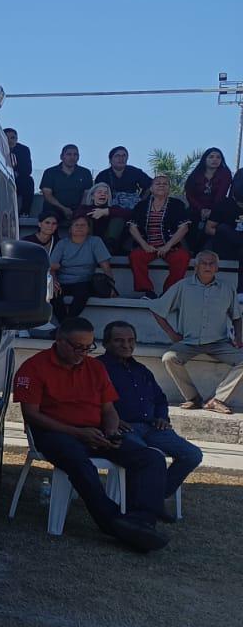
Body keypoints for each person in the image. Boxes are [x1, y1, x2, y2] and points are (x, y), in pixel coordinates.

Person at [14, 317, 168, 550]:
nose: (83, 353)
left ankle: (141, 521)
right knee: (79, 462)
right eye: (78, 347)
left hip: (95, 432)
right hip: (55, 433)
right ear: (59, 341)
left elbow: (109, 408)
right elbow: (32, 415)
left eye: (88, 347)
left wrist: (111, 431)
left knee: (152, 458)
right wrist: (78, 433)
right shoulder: (34, 367)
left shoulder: (95, 367)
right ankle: (111, 521)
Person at [101, 320, 201, 512]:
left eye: (131, 340)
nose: (126, 345)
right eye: (119, 341)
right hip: (122, 428)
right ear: (106, 343)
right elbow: (90, 401)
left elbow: (160, 399)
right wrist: (112, 420)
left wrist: (162, 417)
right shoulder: (98, 368)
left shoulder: (141, 370)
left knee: (192, 455)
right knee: (147, 457)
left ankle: (153, 498)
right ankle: (143, 504)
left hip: (151, 427)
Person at [152, 249, 243, 415]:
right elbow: (157, 310)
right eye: (204, 263)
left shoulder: (227, 288)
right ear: (196, 267)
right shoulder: (182, 286)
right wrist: (172, 334)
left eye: (212, 263)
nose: (207, 266)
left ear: (217, 267)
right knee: (169, 358)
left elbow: (236, 317)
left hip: (219, 342)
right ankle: (193, 397)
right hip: (188, 342)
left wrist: (238, 337)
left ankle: (218, 400)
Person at [126, 175, 191, 298]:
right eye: (158, 183)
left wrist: (167, 246)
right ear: (151, 188)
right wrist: (144, 245)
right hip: (148, 245)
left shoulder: (177, 205)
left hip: (170, 245)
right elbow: (132, 227)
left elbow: (184, 228)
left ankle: (169, 293)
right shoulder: (142, 205)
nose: (161, 185)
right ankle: (148, 291)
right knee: (135, 256)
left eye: (165, 183)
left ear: (169, 189)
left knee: (182, 257)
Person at [48, 215, 116, 323]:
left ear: (88, 228)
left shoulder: (95, 242)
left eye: (83, 225)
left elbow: (105, 266)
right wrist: (54, 281)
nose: (79, 227)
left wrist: (111, 285)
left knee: (82, 293)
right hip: (62, 281)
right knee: (53, 295)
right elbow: (52, 266)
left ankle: (65, 326)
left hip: (84, 280)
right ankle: (66, 326)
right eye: (76, 225)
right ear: (70, 228)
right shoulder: (62, 243)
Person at [183, 147, 232, 253]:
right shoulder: (196, 174)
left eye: (218, 157)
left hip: (217, 209)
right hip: (196, 208)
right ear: (205, 159)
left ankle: (204, 252)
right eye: (211, 157)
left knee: (216, 226)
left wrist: (211, 210)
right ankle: (191, 251)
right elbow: (189, 193)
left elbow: (221, 194)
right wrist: (201, 209)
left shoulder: (225, 174)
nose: (215, 160)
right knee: (187, 221)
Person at [74, 182, 132, 254]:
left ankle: (109, 247)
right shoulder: (84, 208)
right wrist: (95, 212)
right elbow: (77, 215)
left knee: (118, 219)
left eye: (106, 193)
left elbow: (129, 214)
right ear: (92, 196)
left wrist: (106, 211)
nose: (103, 194)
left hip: (108, 243)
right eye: (99, 192)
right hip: (88, 241)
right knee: (83, 220)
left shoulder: (114, 209)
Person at [39, 143, 92, 221]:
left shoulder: (85, 173)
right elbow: (47, 195)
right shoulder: (50, 172)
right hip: (54, 210)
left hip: (77, 210)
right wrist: (64, 209)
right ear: (61, 157)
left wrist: (79, 210)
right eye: (69, 154)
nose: (72, 157)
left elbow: (87, 194)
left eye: (75, 155)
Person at [6, 127, 35, 216]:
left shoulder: (23, 150)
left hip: (17, 179)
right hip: (1, 178)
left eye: (13, 138)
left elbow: (27, 170)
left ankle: (24, 212)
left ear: (16, 139)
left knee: (29, 181)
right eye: (7, 138)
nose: (10, 140)